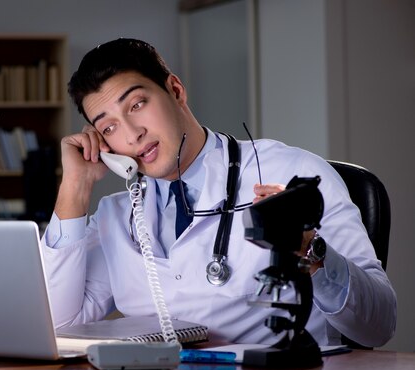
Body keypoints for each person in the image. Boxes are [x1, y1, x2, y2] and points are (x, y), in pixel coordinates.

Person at [41, 38, 396, 347]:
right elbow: (56, 327)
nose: (132, 134)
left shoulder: (292, 173)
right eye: (110, 126)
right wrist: (75, 186)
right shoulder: (118, 216)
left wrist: (308, 249)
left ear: (175, 90)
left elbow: (379, 324)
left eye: (136, 105)